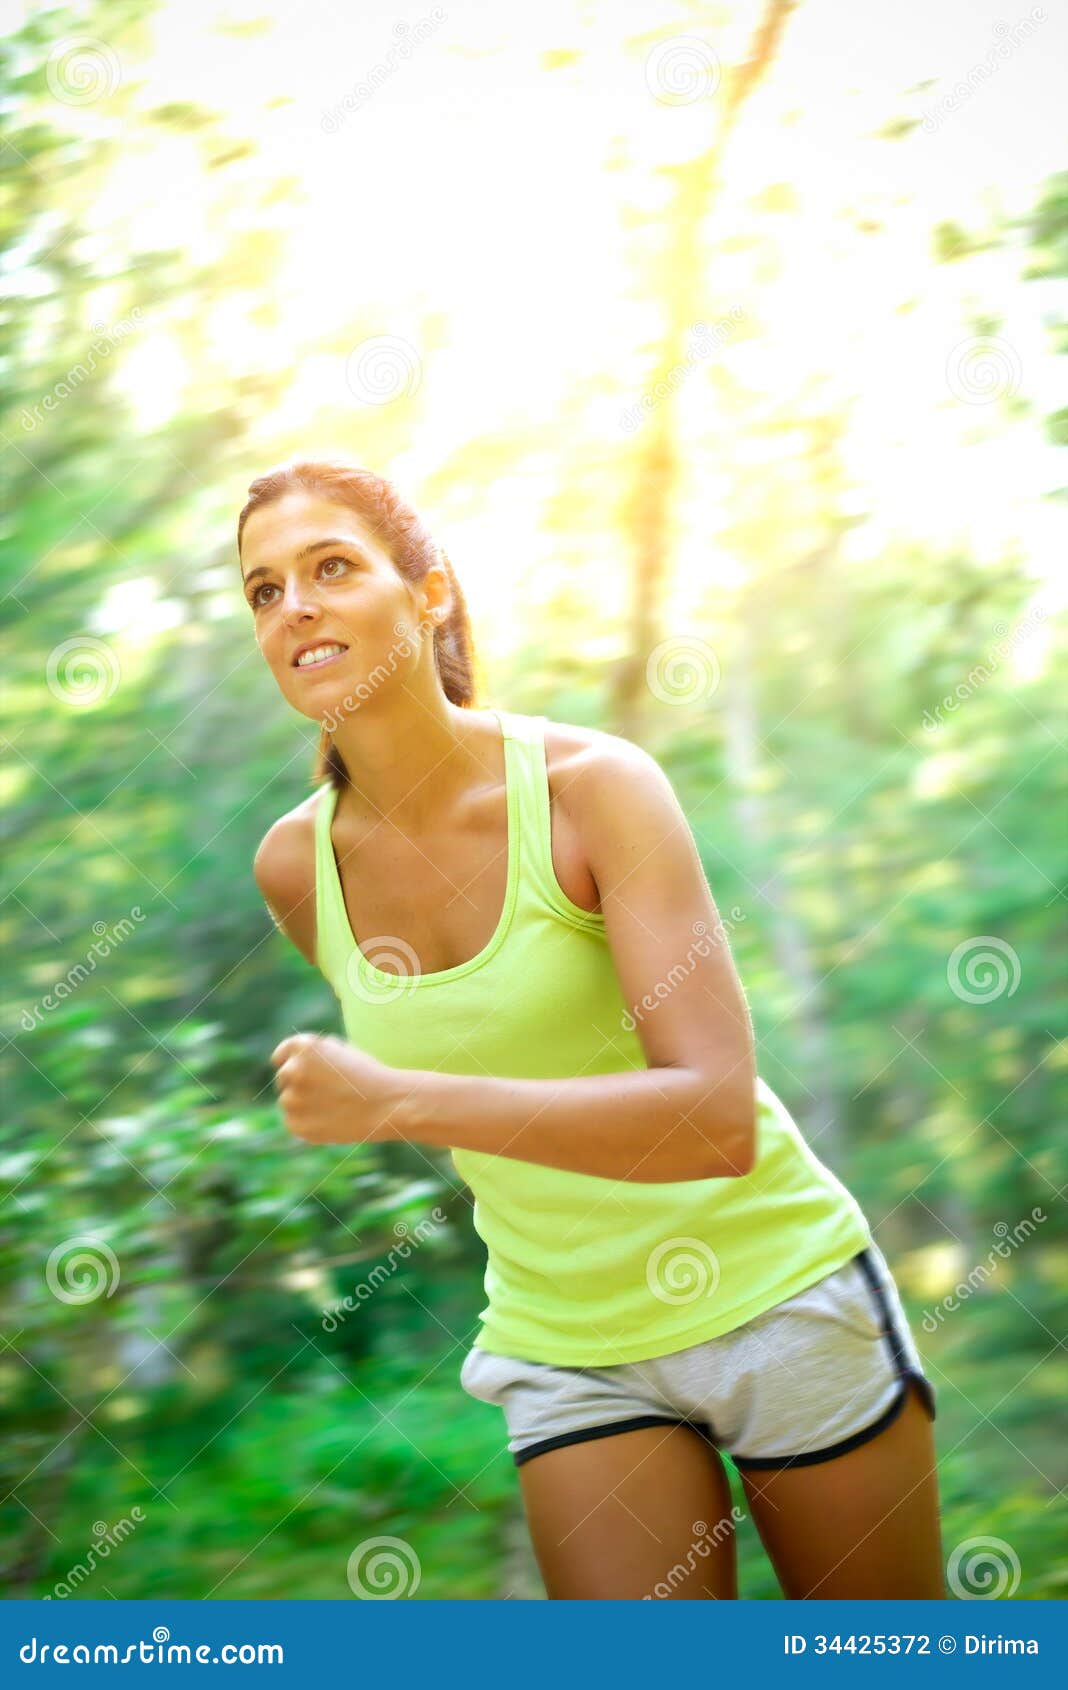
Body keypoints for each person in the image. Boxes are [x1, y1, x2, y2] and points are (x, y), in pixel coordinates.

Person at [239, 457, 944, 1601]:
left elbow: (715, 1117)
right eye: (264, 591)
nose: (296, 607)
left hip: (775, 1292)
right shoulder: (294, 866)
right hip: (569, 1339)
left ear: (430, 594)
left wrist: (396, 1101)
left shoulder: (592, 787)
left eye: (331, 567)